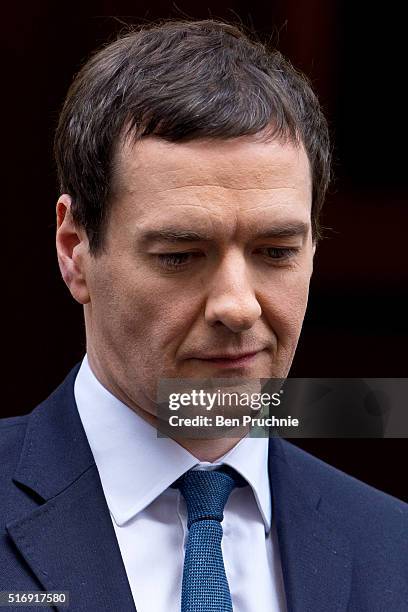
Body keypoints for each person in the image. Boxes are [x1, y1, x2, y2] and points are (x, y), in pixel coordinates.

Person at [0, 19, 406, 612]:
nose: (238, 306)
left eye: (276, 252)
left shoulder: (392, 548)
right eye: (180, 256)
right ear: (74, 250)